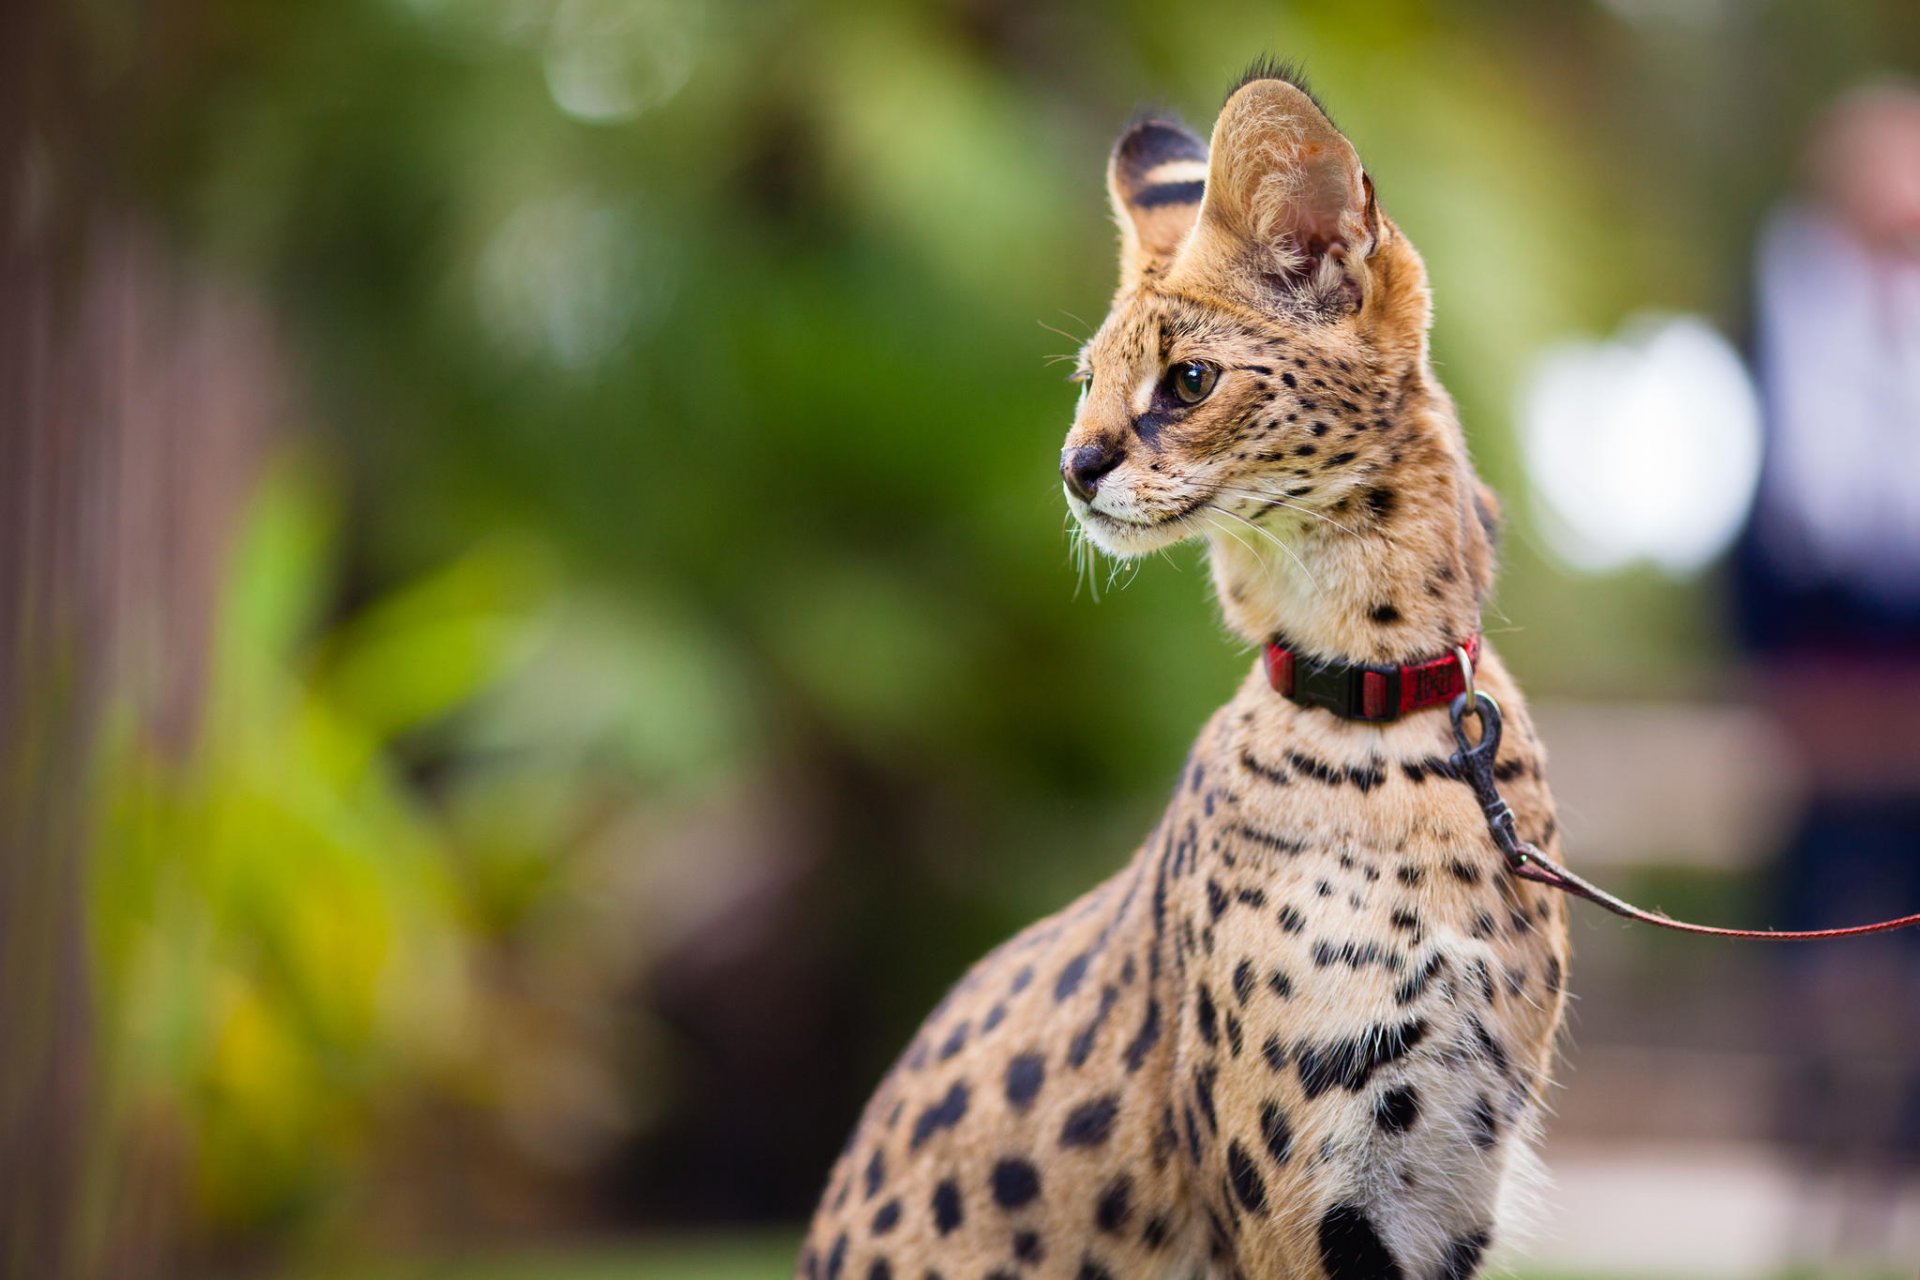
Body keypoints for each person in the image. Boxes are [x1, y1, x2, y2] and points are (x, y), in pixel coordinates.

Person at [1733, 80, 1920, 1268]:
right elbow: (1778, 500)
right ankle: (1813, 1166)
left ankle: (1892, 1176)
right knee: (1820, 921)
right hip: (1819, 655)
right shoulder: (1787, 296)